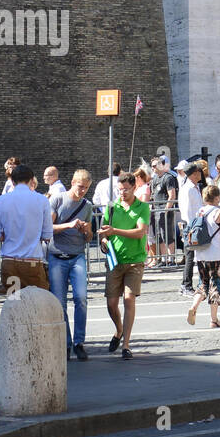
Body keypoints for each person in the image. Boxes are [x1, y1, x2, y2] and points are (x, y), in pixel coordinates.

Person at [100, 172, 150, 359]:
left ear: (134, 187)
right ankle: (118, 330)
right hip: (115, 260)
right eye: (119, 190)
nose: (122, 193)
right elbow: (104, 230)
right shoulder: (112, 207)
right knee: (111, 304)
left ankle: (126, 345)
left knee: (129, 299)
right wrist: (104, 238)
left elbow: (140, 232)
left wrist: (114, 231)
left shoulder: (142, 207)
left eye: (125, 190)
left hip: (135, 260)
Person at [48, 169, 93, 361]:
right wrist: (68, 225)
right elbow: (47, 228)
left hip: (77, 255)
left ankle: (79, 342)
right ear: (72, 182)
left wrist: (85, 230)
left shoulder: (87, 205)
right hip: (57, 255)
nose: (82, 191)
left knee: (81, 298)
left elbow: (90, 236)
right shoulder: (57, 199)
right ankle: (65, 343)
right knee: (59, 303)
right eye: (79, 186)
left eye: (86, 188)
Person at [0, 163, 53, 292]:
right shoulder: (42, 200)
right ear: (31, 180)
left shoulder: (0, 201)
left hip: (10, 261)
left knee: (15, 304)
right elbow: (47, 235)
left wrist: (8, 234)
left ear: (12, 180)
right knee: (36, 304)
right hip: (32, 261)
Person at [186, 185, 220, 328]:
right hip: (216, 254)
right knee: (215, 285)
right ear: (217, 197)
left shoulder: (200, 211)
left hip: (200, 254)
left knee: (202, 284)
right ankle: (214, 319)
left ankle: (194, 307)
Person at [177, 161, 204, 295]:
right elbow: (187, 210)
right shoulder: (187, 189)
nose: (200, 174)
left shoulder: (194, 187)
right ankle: (186, 285)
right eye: (199, 171)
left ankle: (195, 284)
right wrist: (192, 226)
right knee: (189, 256)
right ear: (194, 174)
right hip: (191, 225)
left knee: (195, 255)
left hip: (195, 224)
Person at [150, 155, 179, 273]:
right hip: (156, 210)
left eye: (154, 166)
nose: (153, 168)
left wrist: (166, 210)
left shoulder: (168, 178)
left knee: (168, 235)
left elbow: (172, 195)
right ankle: (163, 259)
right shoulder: (155, 179)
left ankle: (171, 258)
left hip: (164, 210)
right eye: (151, 166)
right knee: (159, 236)